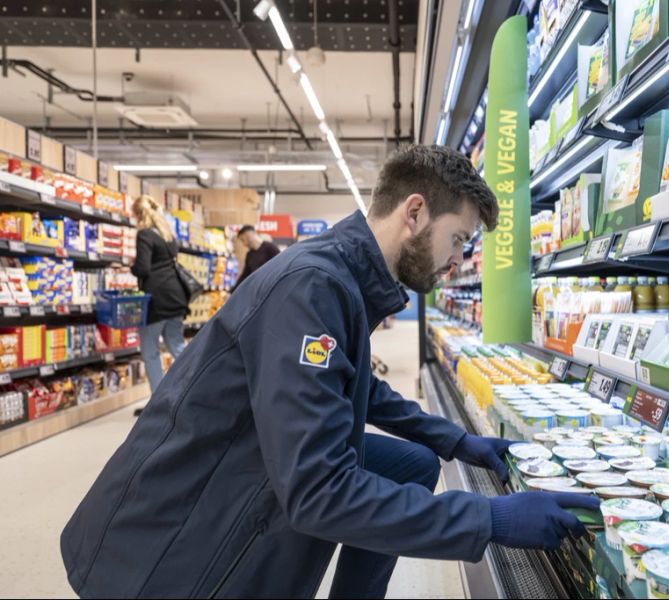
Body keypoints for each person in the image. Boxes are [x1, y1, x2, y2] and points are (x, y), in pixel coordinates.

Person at [60, 146, 595, 599]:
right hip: (170, 544)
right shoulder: (313, 288)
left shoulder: (344, 278)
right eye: (458, 238)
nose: (458, 259)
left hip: (250, 456)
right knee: (350, 481)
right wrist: (490, 520)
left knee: (410, 463)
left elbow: (359, 384)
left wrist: (455, 440)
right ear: (414, 213)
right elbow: (318, 490)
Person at [129, 195, 189, 396]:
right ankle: (194, 389)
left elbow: (144, 268)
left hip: (156, 299)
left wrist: (131, 267)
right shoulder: (167, 235)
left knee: (150, 350)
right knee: (177, 345)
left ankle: (157, 402)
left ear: (139, 214)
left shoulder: (145, 235)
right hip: (176, 296)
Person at [232, 224, 281, 289]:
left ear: (248, 235)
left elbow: (280, 268)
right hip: (257, 290)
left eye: (242, 240)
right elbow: (245, 275)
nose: (243, 244)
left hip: (271, 288)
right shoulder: (249, 254)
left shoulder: (271, 248)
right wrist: (233, 291)